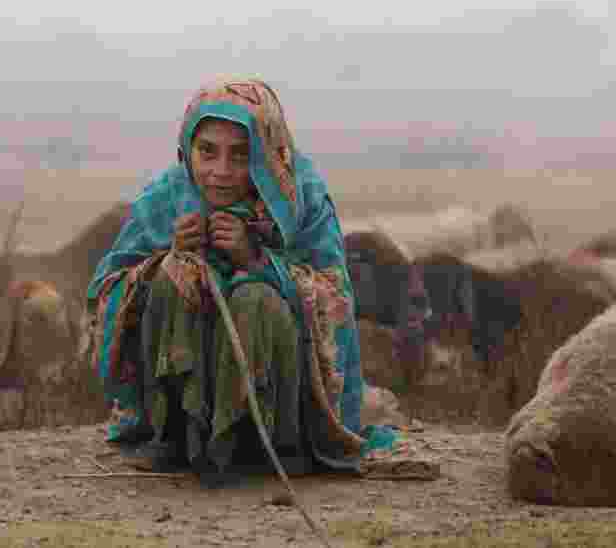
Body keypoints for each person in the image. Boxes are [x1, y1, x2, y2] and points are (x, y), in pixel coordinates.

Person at [86, 76, 396, 486]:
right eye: (207, 153)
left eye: (240, 155)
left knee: (256, 298)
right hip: (185, 405)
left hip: (282, 400)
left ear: (266, 152)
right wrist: (170, 256)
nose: (221, 172)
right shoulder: (164, 199)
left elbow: (332, 296)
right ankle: (175, 437)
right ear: (187, 149)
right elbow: (108, 291)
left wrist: (256, 260)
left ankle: (267, 444)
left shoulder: (303, 201)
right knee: (171, 277)